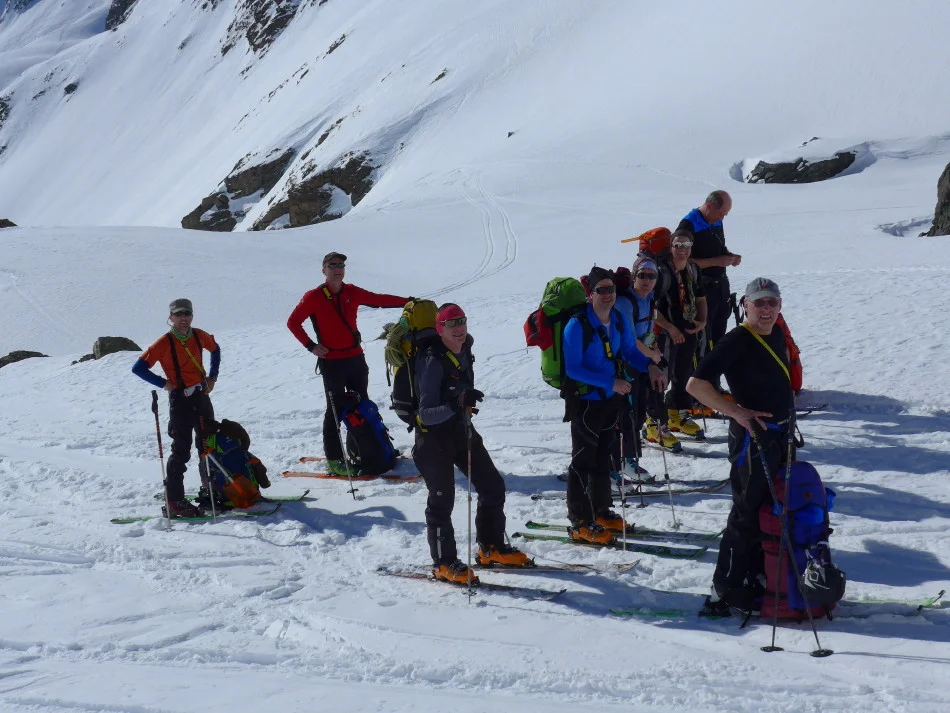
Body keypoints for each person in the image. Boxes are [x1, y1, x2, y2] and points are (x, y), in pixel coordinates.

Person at [686, 278, 794, 616]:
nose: (766, 309)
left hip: (780, 435)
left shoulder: (776, 333)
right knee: (746, 513)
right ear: (745, 305)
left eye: (771, 303)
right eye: (759, 303)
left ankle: (757, 576)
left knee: (770, 510)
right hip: (753, 439)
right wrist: (736, 411)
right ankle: (726, 588)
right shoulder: (738, 339)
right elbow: (695, 385)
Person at [412, 303, 531, 584]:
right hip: (433, 440)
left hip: (462, 431)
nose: (459, 328)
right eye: (452, 324)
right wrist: (456, 404)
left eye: (462, 321)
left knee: (492, 486)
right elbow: (425, 415)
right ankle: (444, 562)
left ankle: (491, 548)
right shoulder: (431, 361)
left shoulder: (465, 350)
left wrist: (461, 405)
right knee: (442, 501)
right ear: (439, 329)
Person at [562, 267, 667, 543]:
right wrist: (610, 383)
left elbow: (629, 350)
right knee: (583, 461)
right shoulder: (577, 325)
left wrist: (650, 367)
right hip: (586, 402)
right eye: (602, 290)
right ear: (591, 294)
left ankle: (600, 511)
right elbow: (573, 369)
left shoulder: (618, 320)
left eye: (611, 289)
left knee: (604, 457)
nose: (608, 295)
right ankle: (579, 520)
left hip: (611, 400)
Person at [287, 252, 411, 476]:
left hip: (355, 359)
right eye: (332, 265)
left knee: (361, 405)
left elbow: (378, 299)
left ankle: (364, 448)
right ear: (323, 270)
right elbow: (293, 322)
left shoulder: (352, 292)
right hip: (332, 363)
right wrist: (311, 346)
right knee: (334, 411)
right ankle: (334, 459)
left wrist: (408, 302)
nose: (337, 268)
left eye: (341, 265)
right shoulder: (314, 296)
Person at [132, 298, 220, 518]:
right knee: (181, 448)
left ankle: (209, 490)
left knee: (207, 444)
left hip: (200, 395)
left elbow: (215, 349)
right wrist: (164, 384)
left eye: (187, 313)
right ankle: (174, 500)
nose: (183, 318)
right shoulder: (163, 343)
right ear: (170, 317)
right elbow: (138, 368)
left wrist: (213, 377)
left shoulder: (199, 335)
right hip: (180, 399)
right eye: (179, 314)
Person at [652, 229, 707, 440]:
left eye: (686, 245)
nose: (682, 250)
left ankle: (678, 413)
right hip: (665, 332)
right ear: (671, 247)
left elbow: (701, 298)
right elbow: (651, 307)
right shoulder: (660, 271)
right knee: (661, 376)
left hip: (689, 327)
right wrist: (671, 328)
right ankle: (654, 421)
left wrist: (702, 322)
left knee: (685, 372)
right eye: (678, 245)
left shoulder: (693, 269)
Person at [677, 190, 741, 366]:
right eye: (721, 213)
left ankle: (713, 385)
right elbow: (681, 260)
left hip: (720, 287)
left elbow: (717, 247)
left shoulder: (715, 220)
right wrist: (716, 261)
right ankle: (699, 386)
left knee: (719, 339)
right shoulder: (688, 225)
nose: (722, 218)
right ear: (710, 206)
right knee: (703, 341)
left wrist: (729, 256)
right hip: (701, 291)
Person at [612, 259, 664, 474]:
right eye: (642, 275)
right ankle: (625, 462)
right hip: (627, 363)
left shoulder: (650, 299)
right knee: (628, 414)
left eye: (651, 276)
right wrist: (652, 358)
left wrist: (655, 353)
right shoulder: (625, 302)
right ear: (634, 276)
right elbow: (630, 340)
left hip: (642, 362)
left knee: (639, 411)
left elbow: (648, 331)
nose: (647, 280)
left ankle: (628, 460)